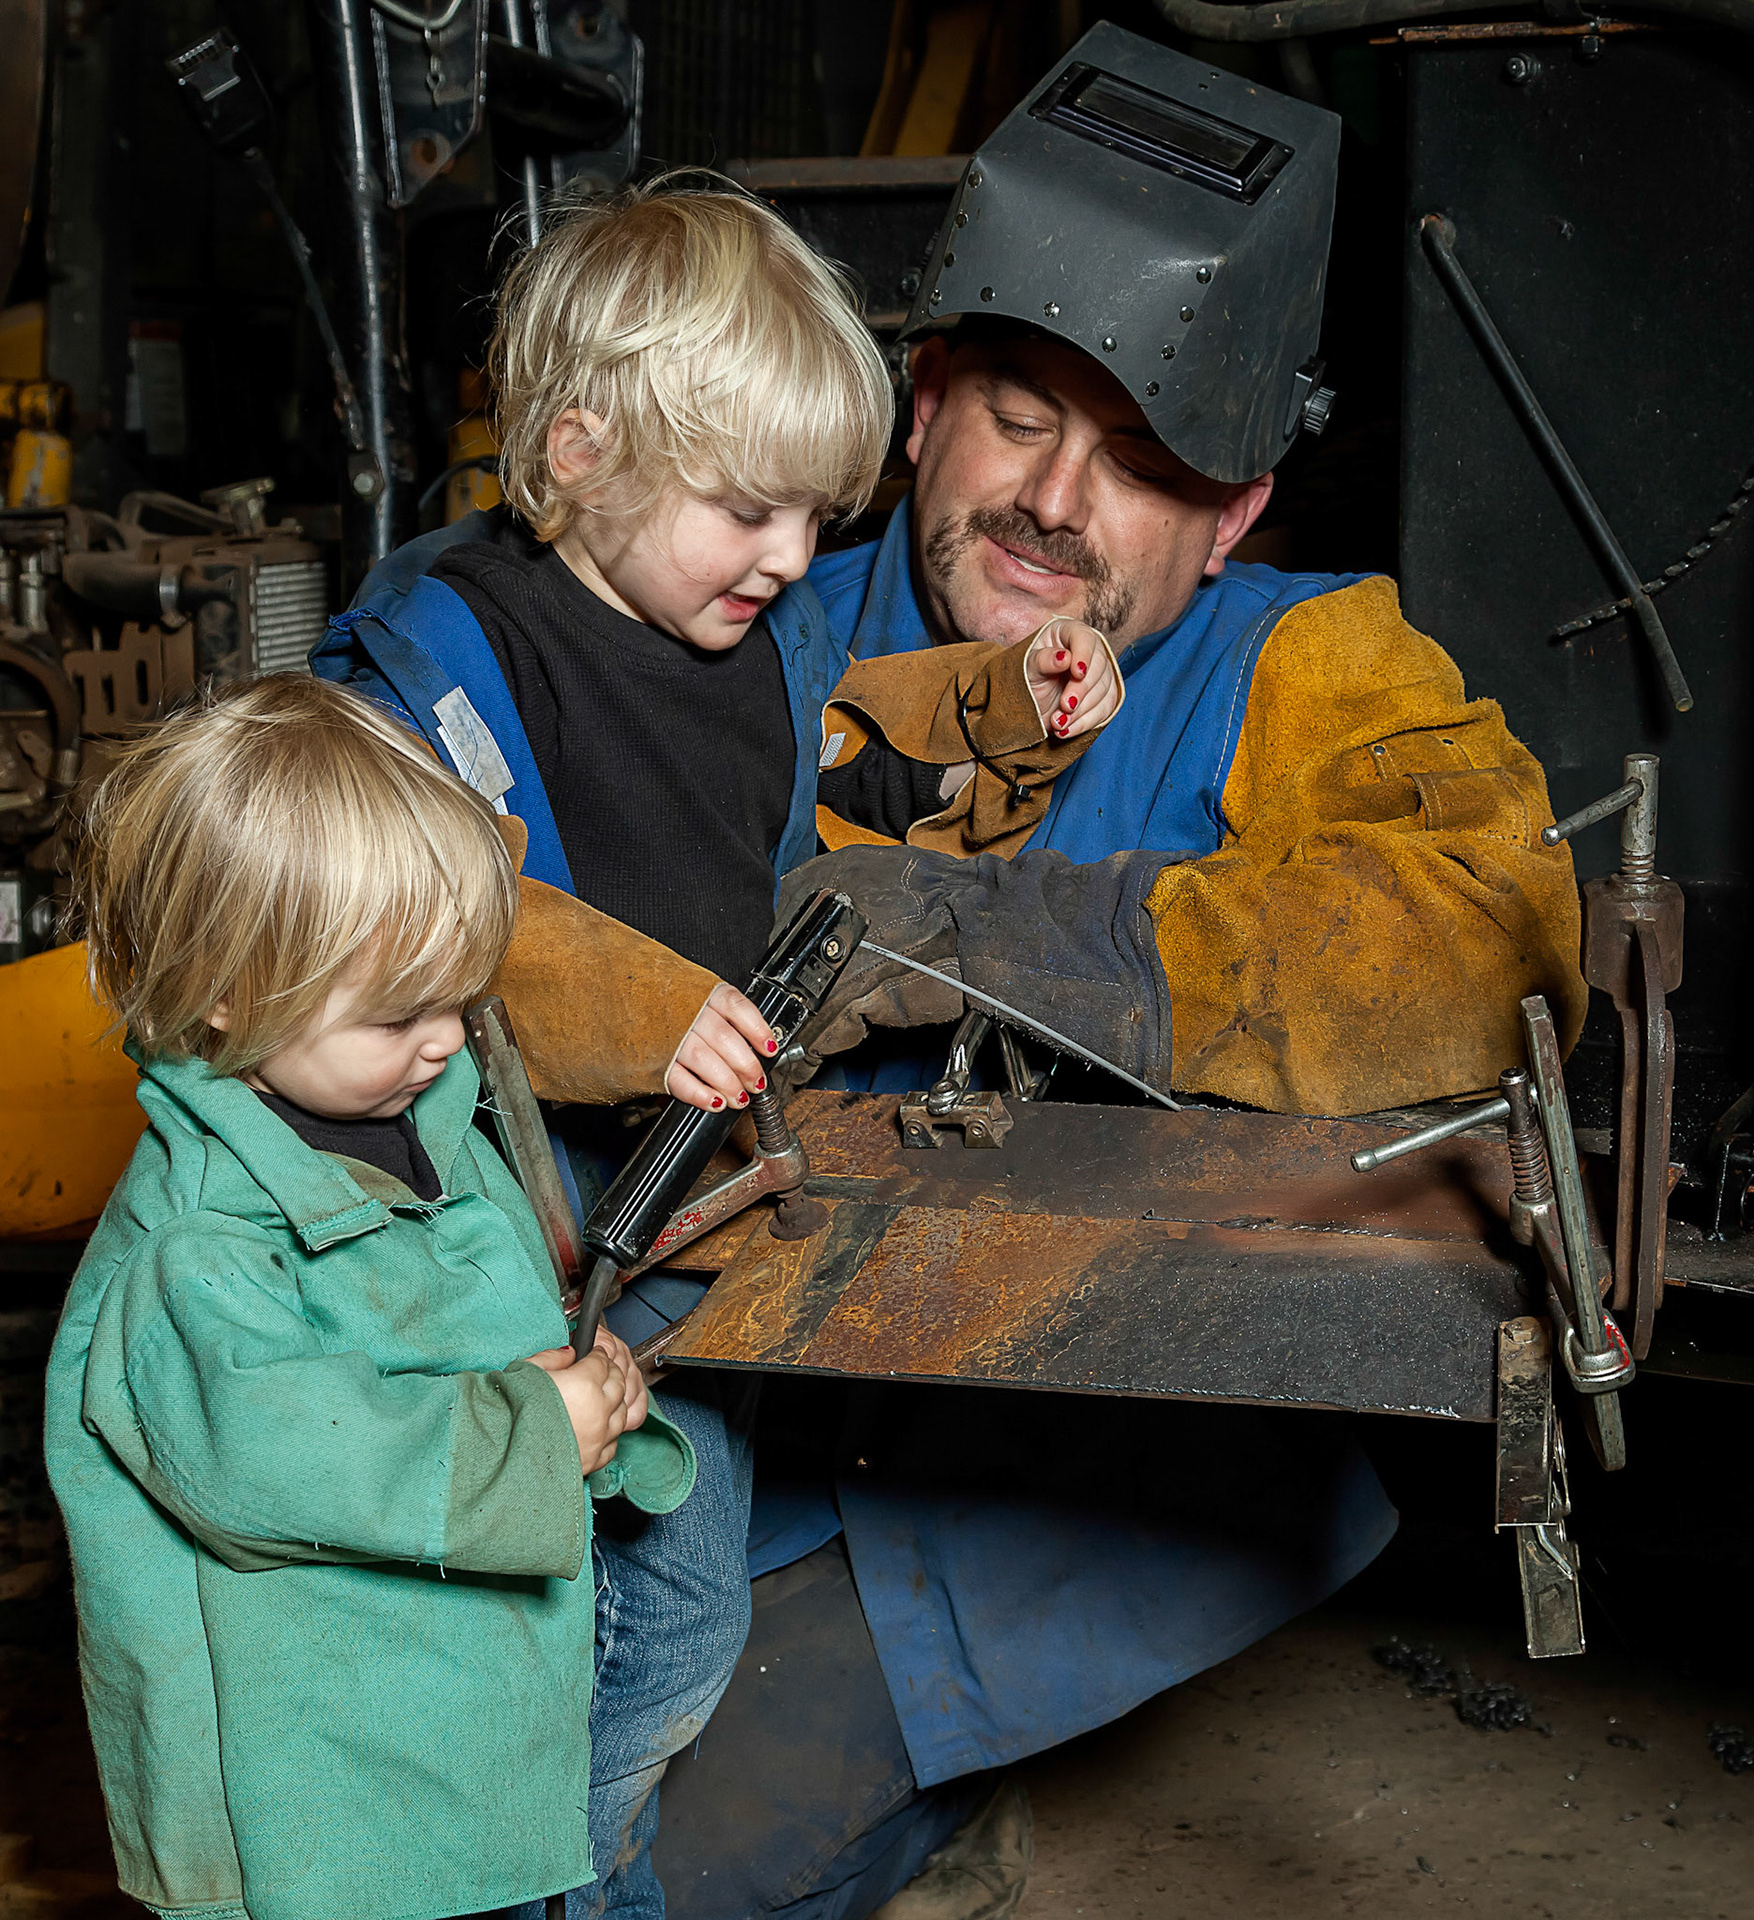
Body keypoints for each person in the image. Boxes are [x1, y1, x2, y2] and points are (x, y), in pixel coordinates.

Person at [632, 26, 1589, 1920]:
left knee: (663, 1862)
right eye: (1021, 416)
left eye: (1145, 467)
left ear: (1233, 517)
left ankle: (931, 1788)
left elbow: (1489, 934)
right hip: (725, 1396)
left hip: (1082, 1459)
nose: (1060, 504)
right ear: (923, 409)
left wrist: (999, 934)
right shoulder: (744, 613)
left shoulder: (1306, 663)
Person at [312, 174, 1123, 1920]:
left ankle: (570, 1874)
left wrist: (1007, 696)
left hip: (678, 1220)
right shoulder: (441, 645)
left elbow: (850, 740)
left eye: (813, 521)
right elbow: (419, 917)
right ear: (584, 449)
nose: (784, 555)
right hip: (486, 1246)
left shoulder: (742, 625)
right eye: (749, 508)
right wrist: (629, 1004)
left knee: (678, 1609)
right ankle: (553, 1890)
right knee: (575, 1610)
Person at [43, 676, 690, 1920]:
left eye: (460, 994)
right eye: (401, 1012)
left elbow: (488, 1314)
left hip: (444, 1739)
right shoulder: (198, 1252)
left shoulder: (419, 1111)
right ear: (225, 990)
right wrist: (526, 1437)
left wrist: (579, 1383)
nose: (446, 1039)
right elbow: (275, 1460)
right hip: (315, 1817)